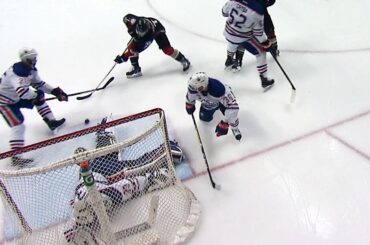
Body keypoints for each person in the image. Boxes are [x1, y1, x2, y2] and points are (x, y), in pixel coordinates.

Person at [0, 48, 68, 167]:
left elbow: (40, 84)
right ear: (26, 59)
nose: (35, 60)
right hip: (5, 103)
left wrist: (56, 92)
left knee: (39, 97)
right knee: (18, 126)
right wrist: (36, 95)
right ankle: (16, 157)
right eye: (32, 58)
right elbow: (22, 92)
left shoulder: (30, 70)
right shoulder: (17, 74)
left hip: (15, 97)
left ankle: (51, 121)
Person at [114, 14, 191, 78]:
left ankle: (183, 60)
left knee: (167, 49)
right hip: (149, 24)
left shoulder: (148, 37)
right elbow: (127, 18)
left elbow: (133, 51)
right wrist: (133, 35)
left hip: (158, 31)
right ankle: (136, 68)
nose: (140, 35)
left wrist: (123, 58)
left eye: (142, 33)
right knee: (130, 45)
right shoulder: (134, 22)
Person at [222, 0, 275, 91]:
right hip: (241, 37)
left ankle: (229, 59)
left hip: (227, 32)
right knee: (261, 52)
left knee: (233, 41)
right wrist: (266, 43)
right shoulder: (258, 10)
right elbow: (258, 33)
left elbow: (224, 12)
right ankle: (264, 79)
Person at [185, 72, 242, 141]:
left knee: (232, 116)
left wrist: (225, 123)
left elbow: (234, 108)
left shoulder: (219, 90)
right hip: (209, 104)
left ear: (204, 86)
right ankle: (215, 107)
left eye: (196, 88)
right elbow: (190, 96)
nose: (193, 89)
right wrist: (189, 104)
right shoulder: (193, 88)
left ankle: (235, 128)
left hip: (222, 103)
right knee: (204, 119)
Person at [231, 0, 279, 72]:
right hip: (249, 15)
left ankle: (274, 48)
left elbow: (272, 1)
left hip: (261, 14)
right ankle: (238, 59)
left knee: (269, 29)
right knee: (244, 36)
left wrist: (264, 4)